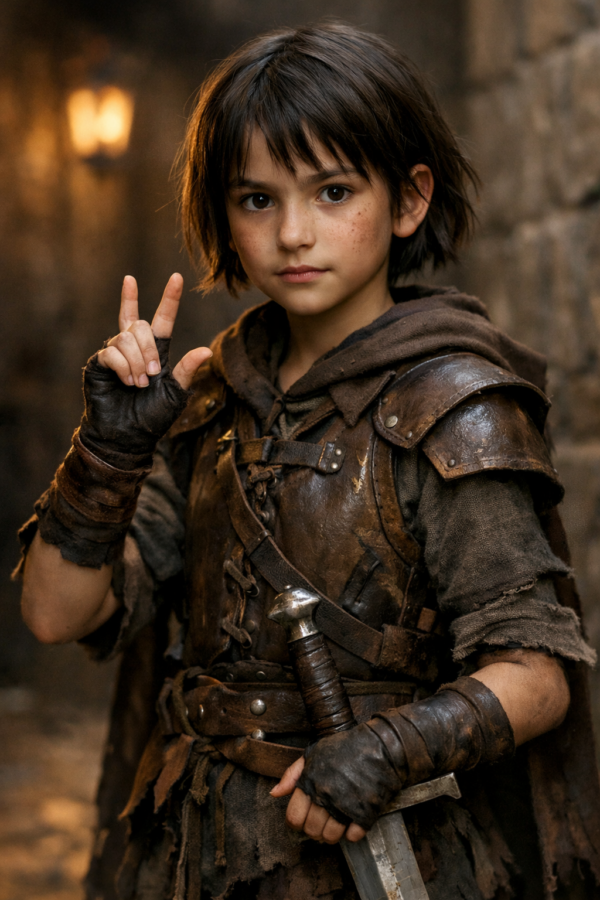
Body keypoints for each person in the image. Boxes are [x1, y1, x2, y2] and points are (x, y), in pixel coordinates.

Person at [16, 22, 600, 900]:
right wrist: (109, 450)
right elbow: (57, 615)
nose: (293, 233)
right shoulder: (212, 404)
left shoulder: (455, 404)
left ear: (407, 201)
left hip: (385, 857)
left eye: (332, 192)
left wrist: (390, 749)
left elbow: (536, 676)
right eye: (257, 200)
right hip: (188, 857)